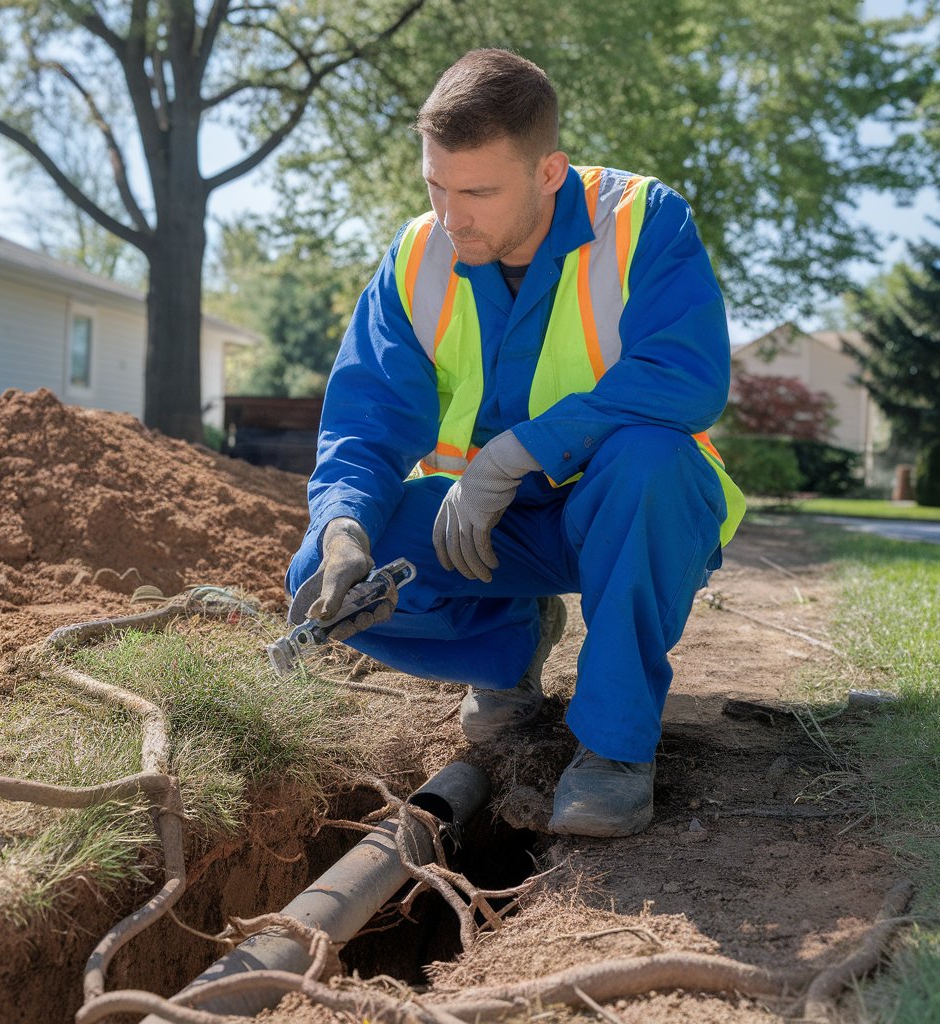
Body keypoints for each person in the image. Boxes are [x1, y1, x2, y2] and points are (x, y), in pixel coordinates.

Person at [286, 48, 745, 838]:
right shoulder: (415, 256)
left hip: (630, 511)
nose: (451, 215)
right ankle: (511, 650)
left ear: (548, 172)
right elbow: (365, 418)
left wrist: (515, 453)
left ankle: (614, 749)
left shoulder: (641, 222)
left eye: (477, 192)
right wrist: (345, 526)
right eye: (436, 185)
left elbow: (685, 374)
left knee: (649, 461)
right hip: (488, 534)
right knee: (323, 567)